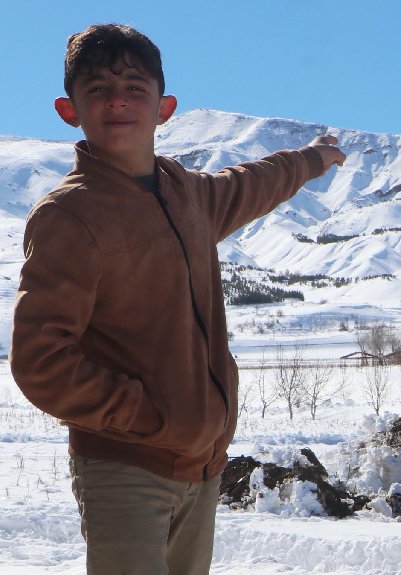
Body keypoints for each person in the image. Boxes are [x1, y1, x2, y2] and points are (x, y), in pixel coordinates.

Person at [10, 23, 345, 574]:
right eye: (96, 88)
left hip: (201, 464)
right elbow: (41, 362)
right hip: (126, 466)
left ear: (164, 107)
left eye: (135, 88)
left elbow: (250, 183)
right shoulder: (69, 216)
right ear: (68, 110)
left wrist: (310, 159)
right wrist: (149, 417)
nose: (117, 100)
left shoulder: (185, 193)